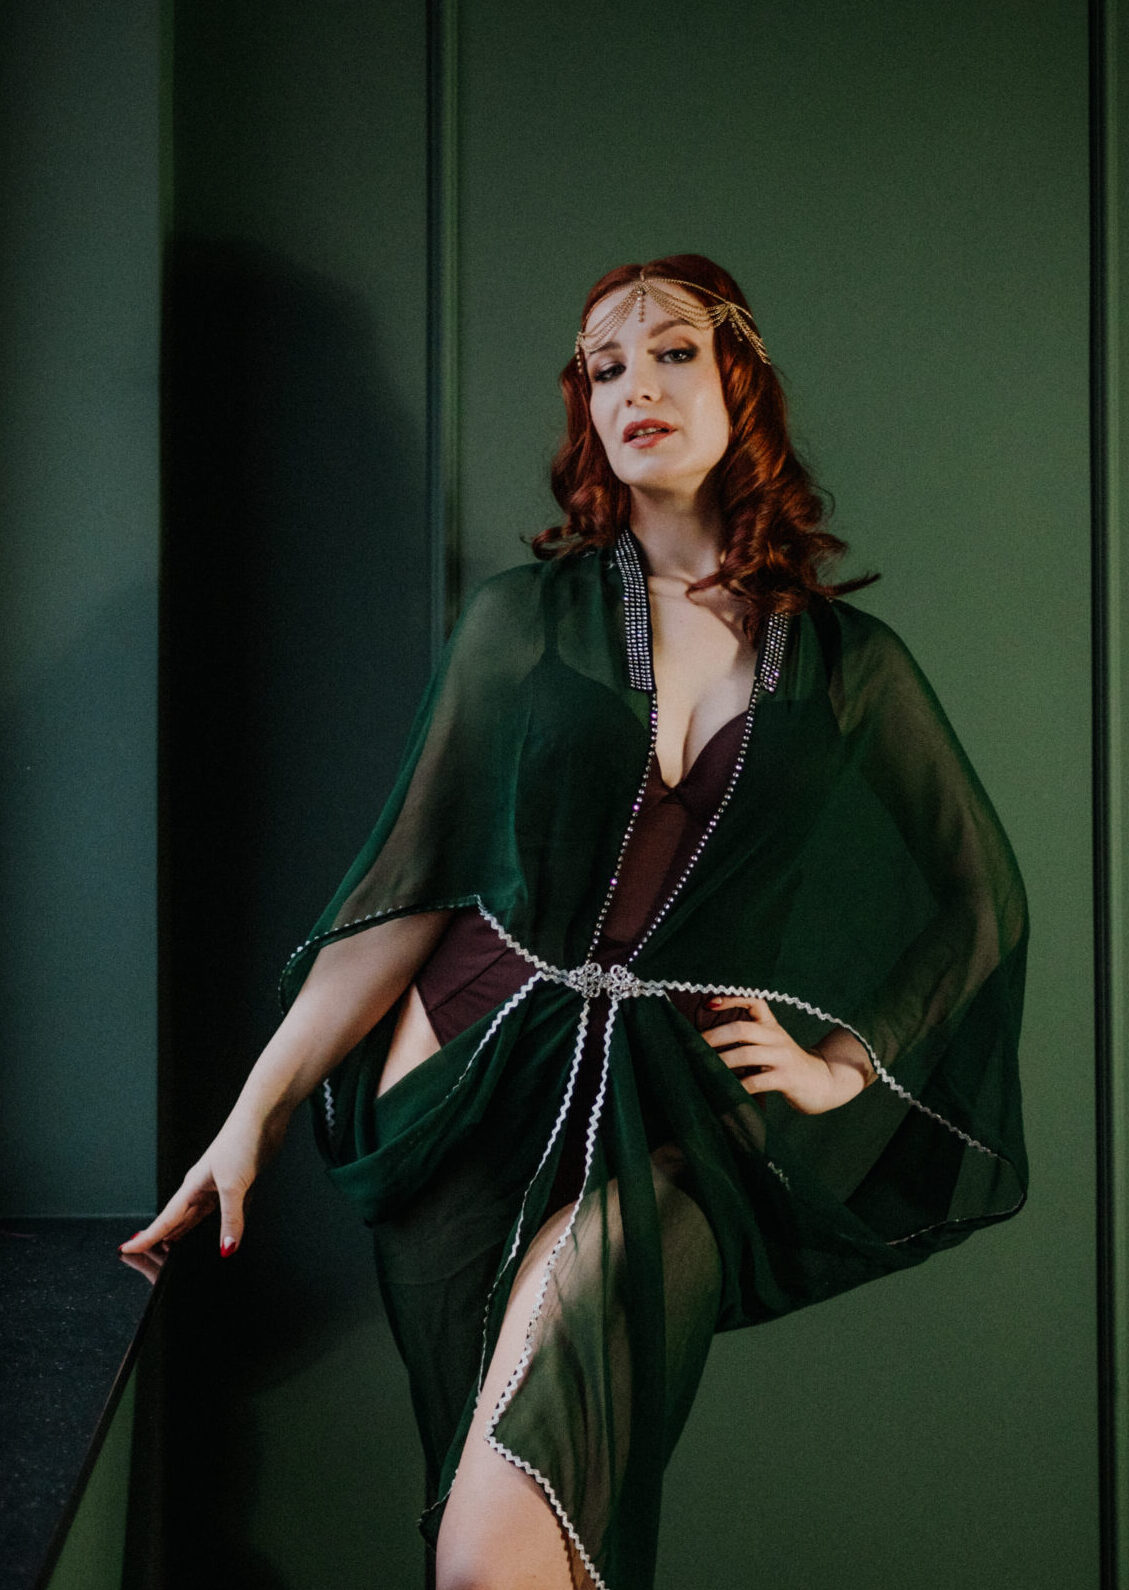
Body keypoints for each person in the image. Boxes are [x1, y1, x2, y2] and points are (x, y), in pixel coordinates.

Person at [121, 254, 1030, 1590]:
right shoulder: (522, 624)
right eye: (605, 368)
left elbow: (977, 899)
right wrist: (249, 1118)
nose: (633, 386)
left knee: (502, 1549)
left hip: (673, 1124)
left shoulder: (849, 666)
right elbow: (407, 898)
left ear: (741, 379)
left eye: (670, 352)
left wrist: (847, 1062)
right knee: (483, 1532)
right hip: (465, 1091)